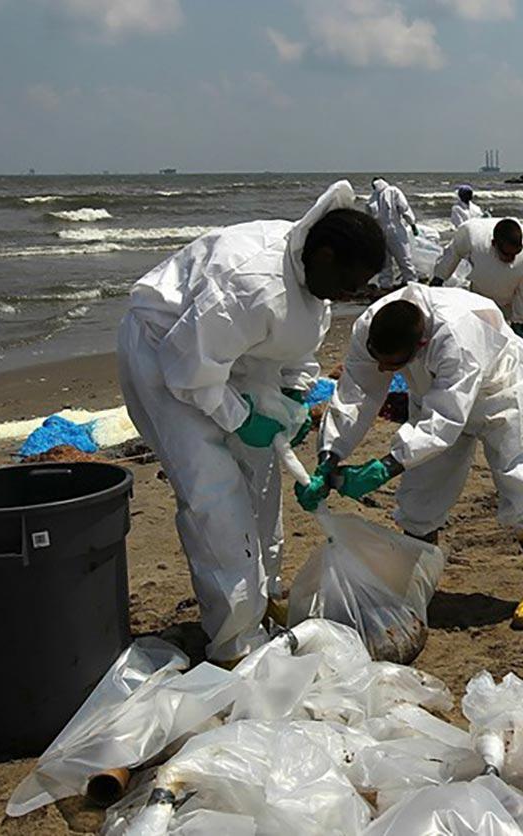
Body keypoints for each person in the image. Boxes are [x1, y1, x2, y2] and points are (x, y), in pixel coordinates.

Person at [117, 181, 386, 664]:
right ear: (323, 255)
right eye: (349, 283)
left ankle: (264, 599)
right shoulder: (249, 281)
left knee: (262, 488)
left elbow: (298, 352)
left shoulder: (313, 284)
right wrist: (239, 418)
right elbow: (190, 371)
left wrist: (293, 402)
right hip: (167, 349)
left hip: (231, 354)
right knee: (215, 495)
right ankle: (233, 643)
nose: (351, 295)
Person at [297, 283, 523, 629]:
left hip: (503, 391)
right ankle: (416, 583)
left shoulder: (456, 337)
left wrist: (385, 466)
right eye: (378, 359)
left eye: (393, 365)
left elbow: (446, 420)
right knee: (421, 494)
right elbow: (356, 392)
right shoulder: (372, 324)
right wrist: (329, 455)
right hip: (434, 393)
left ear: (421, 345)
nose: (383, 371)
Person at [431, 217, 523, 352]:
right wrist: (438, 278)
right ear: (493, 243)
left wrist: (519, 325)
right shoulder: (473, 235)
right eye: (507, 254)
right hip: (487, 300)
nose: (511, 259)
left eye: (516, 253)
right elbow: (452, 253)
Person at [367, 177, 419, 289]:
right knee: (404, 257)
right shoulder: (394, 191)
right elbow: (404, 208)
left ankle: (385, 285)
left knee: (385, 262)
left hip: (380, 232)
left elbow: (369, 219)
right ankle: (410, 282)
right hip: (396, 229)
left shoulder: (372, 198)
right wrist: (412, 224)